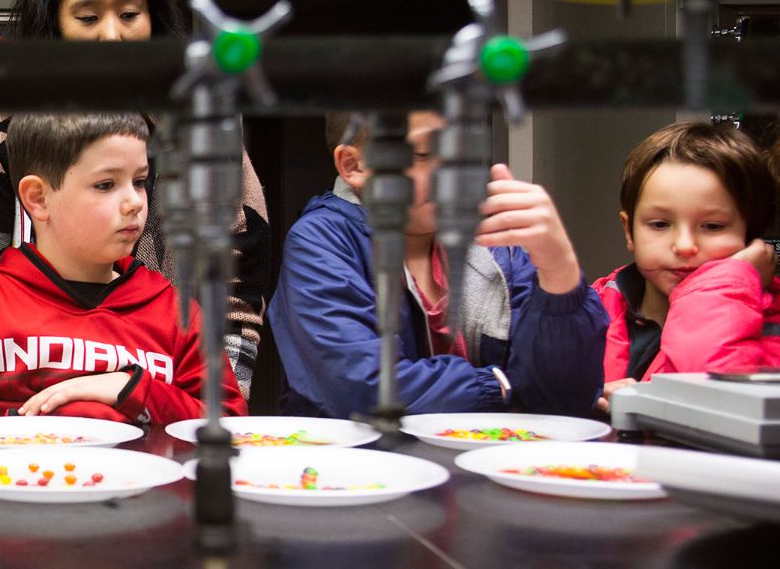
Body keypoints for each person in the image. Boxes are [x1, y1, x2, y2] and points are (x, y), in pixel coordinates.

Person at [0, 0, 271, 399]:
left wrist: (218, 400)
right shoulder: (0, 130)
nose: (111, 34)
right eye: (88, 16)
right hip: (29, 399)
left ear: (154, 19)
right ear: (55, 24)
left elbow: (243, 273)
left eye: (129, 14)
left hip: (167, 393)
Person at [0, 112, 247, 432]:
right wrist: (18, 431)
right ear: (38, 198)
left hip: (144, 513)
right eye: (106, 184)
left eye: (139, 181)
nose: (134, 202)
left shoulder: (176, 314)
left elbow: (227, 426)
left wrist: (133, 391)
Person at [268, 112, 607, 418]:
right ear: (354, 166)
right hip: (360, 474)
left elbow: (565, 398)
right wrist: (505, 385)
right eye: (423, 154)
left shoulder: (495, 243)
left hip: (483, 471)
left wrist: (560, 271)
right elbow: (366, 391)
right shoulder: (321, 240)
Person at [593, 121, 780, 410]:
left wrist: (721, 285)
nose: (683, 245)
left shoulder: (771, 323)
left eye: (712, 226)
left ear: (751, 237)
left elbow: (720, 404)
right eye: (659, 224)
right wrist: (587, 396)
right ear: (630, 231)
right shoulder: (594, 308)